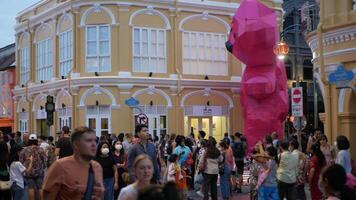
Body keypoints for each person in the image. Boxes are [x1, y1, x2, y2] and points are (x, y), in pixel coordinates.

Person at [42, 127, 105, 199]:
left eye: (95, 141)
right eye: (89, 141)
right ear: (76, 144)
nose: (94, 144)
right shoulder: (60, 166)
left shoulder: (97, 167)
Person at [19, 134, 47, 200]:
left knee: (30, 188)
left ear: (29, 141)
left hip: (29, 172)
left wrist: (25, 168)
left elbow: (21, 160)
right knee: (40, 188)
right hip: (39, 172)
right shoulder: (41, 149)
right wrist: (43, 168)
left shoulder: (24, 150)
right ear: (36, 140)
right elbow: (45, 160)